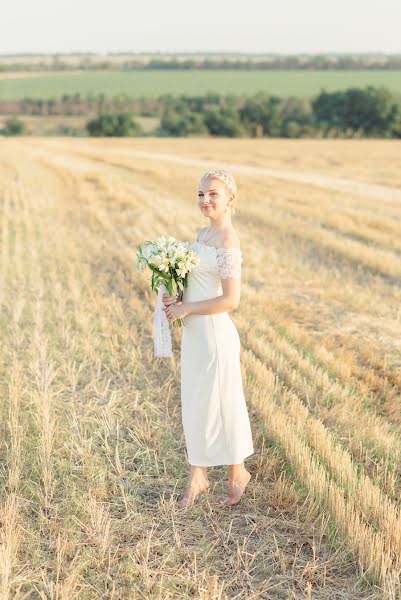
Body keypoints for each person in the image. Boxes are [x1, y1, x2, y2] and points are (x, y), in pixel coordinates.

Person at [162, 169, 254, 508]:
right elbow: (193, 285)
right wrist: (175, 298)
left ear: (230, 198)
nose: (205, 200)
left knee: (223, 403)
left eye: (213, 194)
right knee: (197, 403)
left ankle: (235, 471)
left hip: (215, 334)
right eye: (201, 193)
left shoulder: (229, 240)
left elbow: (231, 300)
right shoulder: (201, 235)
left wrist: (187, 309)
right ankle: (200, 475)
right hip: (196, 335)